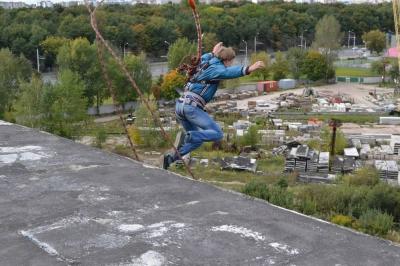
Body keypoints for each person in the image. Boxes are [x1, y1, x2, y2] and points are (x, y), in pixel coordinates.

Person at [163, 42, 265, 169]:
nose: (231, 64)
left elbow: (205, 57)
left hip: (180, 106)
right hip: (191, 107)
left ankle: (171, 158)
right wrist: (249, 68)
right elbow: (229, 72)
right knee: (217, 134)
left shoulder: (206, 61)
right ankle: (190, 136)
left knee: (196, 141)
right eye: (231, 61)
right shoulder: (217, 69)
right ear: (227, 60)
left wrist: (213, 52)